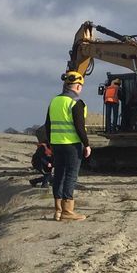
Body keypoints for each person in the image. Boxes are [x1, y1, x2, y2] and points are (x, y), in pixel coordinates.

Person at [43, 71, 91, 221]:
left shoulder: (54, 101)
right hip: (72, 145)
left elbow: (47, 125)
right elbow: (79, 127)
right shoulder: (76, 103)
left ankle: (58, 210)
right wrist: (87, 144)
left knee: (58, 175)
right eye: (80, 86)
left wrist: (50, 144)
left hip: (57, 144)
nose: (81, 89)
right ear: (77, 86)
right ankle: (68, 212)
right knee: (71, 176)